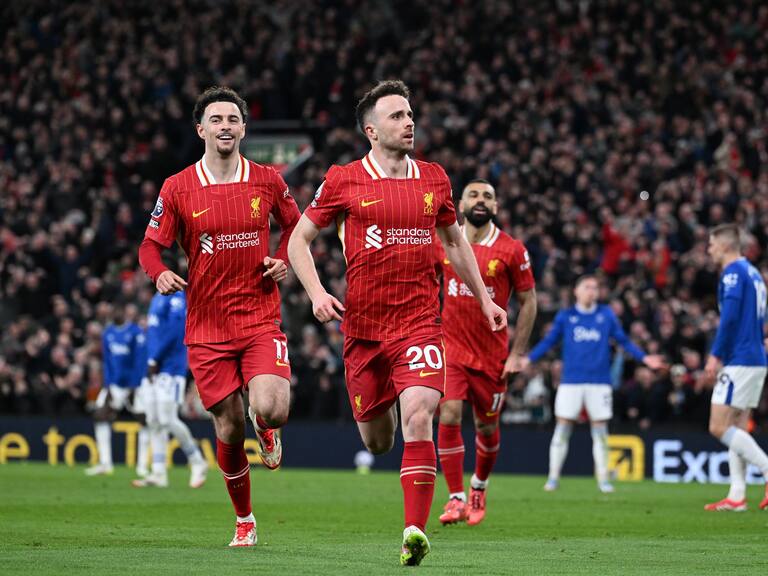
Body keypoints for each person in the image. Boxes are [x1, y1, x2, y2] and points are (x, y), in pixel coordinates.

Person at [288, 80, 507, 566]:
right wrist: (318, 293)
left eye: (410, 114)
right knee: (379, 439)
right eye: (396, 116)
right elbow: (297, 242)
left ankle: (413, 531)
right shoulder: (344, 179)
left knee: (420, 415)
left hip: (420, 325)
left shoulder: (434, 179)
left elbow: (454, 243)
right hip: (363, 332)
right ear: (371, 130)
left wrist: (484, 296)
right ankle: (393, 452)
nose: (409, 122)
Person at [138, 86, 301, 546]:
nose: (225, 126)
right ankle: (245, 519)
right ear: (201, 129)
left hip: (259, 315)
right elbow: (150, 246)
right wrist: (160, 273)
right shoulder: (178, 186)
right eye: (216, 119)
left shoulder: (268, 179)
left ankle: (266, 429)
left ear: (244, 128)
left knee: (272, 407)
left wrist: (284, 256)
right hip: (206, 326)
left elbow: (296, 224)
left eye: (233, 119)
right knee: (228, 424)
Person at [436, 179, 537, 526]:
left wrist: (517, 353)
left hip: (492, 355)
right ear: (460, 203)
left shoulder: (511, 250)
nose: (481, 201)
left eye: (488, 197)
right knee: (448, 414)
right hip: (451, 348)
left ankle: (479, 486)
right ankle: (455, 497)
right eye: (474, 195)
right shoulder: (444, 241)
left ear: (495, 207)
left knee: (486, 425)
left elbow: (529, 302)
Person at [523, 275, 664, 493]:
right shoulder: (566, 316)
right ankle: (553, 477)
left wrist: (644, 358)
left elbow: (623, 340)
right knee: (562, 428)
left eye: (595, 288)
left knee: (600, 431)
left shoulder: (606, 315)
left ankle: (603, 479)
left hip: (599, 382)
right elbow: (549, 341)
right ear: (576, 291)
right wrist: (528, 359)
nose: (592, 291)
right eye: (587, 287)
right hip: (571, 381)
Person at [702, 224, 768, 511]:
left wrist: (715, 354)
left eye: (712, 244)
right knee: (738, 427)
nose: (709, 249)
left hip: (740, 358)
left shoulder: (732, 273)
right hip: (755, 358)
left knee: (719, 426)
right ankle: (737, 495)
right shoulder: (754, 273)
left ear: (726, 245)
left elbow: (728, 318)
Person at [131, 290, 209, 489]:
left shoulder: (177, 297)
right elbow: (155, 333)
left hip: (171, 368)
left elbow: (176, 331)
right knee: (154, 421)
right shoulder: (157, 297)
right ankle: (158, 473)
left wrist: (154, 358)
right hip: (153, 368)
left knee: (167, 419)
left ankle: (197, 461)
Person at [85, 303, 145, 476]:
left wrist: (135, 386)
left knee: (144, 420)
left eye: (120, 310)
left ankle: (142, 465)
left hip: (134, 385)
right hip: (114, 385)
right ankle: (105, 463)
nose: (117, 313)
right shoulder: (108, 333)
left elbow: (140, 361)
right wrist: (108, 385)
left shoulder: (135, 332)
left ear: (125, 312)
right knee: (99, 415)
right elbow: (107, 362)